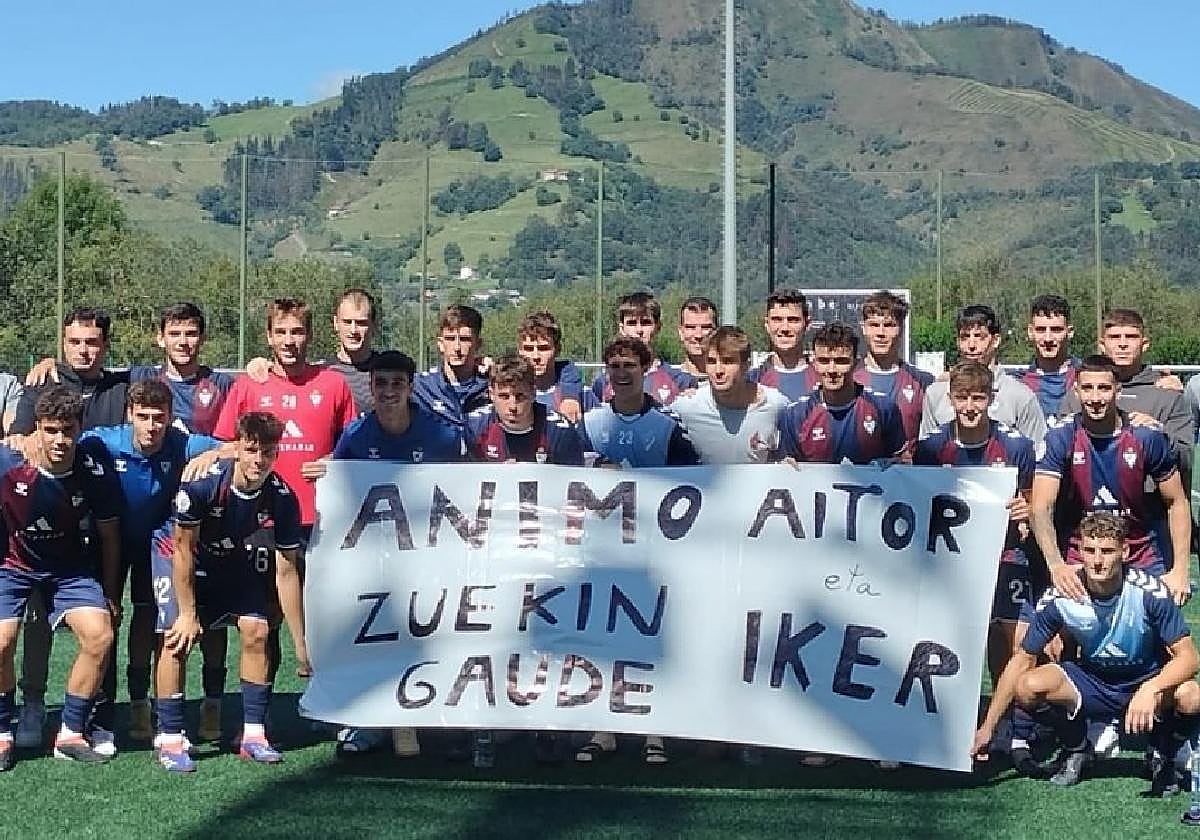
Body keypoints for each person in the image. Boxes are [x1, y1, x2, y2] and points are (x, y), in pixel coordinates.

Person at [971, 512, 1200, 790]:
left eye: (1106, 551)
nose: (1097, 560)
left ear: (1124, 552)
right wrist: (987, 727)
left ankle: (1164, 749)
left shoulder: (1148, 592)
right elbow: (1023, 659)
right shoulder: (1064, 594)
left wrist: (1151, 688)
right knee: (1028, 685)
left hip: (1144, 677)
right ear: (1079, 552)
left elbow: (1189, 657)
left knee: (1191, 696)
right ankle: (1077, 747)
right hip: (1093, 681)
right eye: (1089, 551)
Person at [308, 350, 463, 759]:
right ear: (371, 388)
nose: (389, 391)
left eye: (397, 383)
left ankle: (425, 716)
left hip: (430, 557)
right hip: (374, 558)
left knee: (428, 636)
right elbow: (342, 492)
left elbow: (465, 494)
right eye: (381, 384)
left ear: (411, 387)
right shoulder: (356, 436)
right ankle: (370, 721)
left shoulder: (441, 435)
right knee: (371, 638)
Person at [211, 298, 354, 734]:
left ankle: (330, 706)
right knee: (263, 618)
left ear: (310, 336)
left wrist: (332, 460)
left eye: (297, 332)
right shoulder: (249, 386)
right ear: (269, 336)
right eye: (281, 332)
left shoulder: (333, 385)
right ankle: (260, 712)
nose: (290, 341)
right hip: (260, 521)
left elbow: (353, 448)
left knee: (329, 615)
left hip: (320, 519)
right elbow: (224, 446)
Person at [152, 412, 306, 772]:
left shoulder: (282, 497)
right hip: (176, 555)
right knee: (178, 637)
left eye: (267, 452)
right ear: (236, 448)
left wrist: (301, 643)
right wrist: (189, 614)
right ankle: (171, 737)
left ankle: (253, 735)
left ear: (277, 453)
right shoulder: (203, 485)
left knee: (258, 629)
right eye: (251, 450)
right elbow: (183, 550)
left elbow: (287, 572)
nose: (258, 460)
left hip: (228, 556)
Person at [77, 381, 227, 743]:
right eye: (143, 417)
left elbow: (238, 448)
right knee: (108, 617)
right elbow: (62, 444)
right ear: (130, 415)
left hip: (158, 541)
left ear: (170, 417)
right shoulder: (103, 441)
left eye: (158, 418)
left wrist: (215, 454)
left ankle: (150, 705)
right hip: (109, 537)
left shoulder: (183, 443)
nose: (151, 426)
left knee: (154, 616)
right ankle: (113, 706)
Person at [9, 307, 129, 753]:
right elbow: (18, 441)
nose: (84, 350)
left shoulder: (124, 385)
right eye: (75, 342)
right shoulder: (41, 383)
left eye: (93, 342)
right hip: (37, 528)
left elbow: (168, 383)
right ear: (63, 342)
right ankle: (33, 704)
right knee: (33, 622)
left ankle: (93, 719)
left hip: (94, 525)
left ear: (105, 345)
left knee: (103, 622)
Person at [575, 337, 698, 765]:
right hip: (601, 550)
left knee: (650, 636)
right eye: (614, 365)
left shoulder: (667, 426)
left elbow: (693, 488)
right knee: (602, 635)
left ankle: (653, 732)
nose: (621, 372)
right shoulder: (589, 425)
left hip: (653, 551)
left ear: (646, 368)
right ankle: (602, 728)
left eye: (629, 364)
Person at [914, 362, 1037, 767]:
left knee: (1010, 643)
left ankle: (1010, 731)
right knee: (952, 643)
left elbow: (1035, 497)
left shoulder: (1014, 446)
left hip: (1005, 557)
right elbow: (915, 502)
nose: (970, 407)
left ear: (991, 400)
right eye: (962, 398)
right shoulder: (933, 447)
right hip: (951, 562)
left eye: (978, 398)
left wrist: (1026, 508)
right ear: (950, 400)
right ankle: (946, 729)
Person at [464, 355, 582, 767]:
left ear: (535, 393)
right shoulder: (476, 430)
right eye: (504, 396)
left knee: (546, 637)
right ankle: (485, 725)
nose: (512, 404)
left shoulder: (560, 432)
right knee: (492, 636)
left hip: (545, 554)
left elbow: (579, 494)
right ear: (492, 395)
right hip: (493, 555)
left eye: (520, 395)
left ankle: (546, 723)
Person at [1030, 355, 1191, 606]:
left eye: (1104, 388)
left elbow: (1176, 501)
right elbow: (1041, 506)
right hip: (1081, 553)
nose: (1095, 398)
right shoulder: (1060, 437)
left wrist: (1180, 570)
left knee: (1166, 637)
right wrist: (1057, 565)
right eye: (1087, 388)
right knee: (1057, 640)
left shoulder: (1145, 436)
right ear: (1076, 391)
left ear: (1118, 390)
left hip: (1139, 552)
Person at [1060, 308, 1193, 474]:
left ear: (1144, 344)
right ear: (1102, 344)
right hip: (1087, 492)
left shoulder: (1168, 395)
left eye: (1131, 337)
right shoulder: (1077, 395)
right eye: (1114, 337)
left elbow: (1186, 459)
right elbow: (1059, 455)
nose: (1122, 344)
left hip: (1148, 497)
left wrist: (1159, 434)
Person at [776, 321, 906, 466]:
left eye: (841, 361)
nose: (832, 370)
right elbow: (788, 472)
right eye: (824, 361)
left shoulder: (884, 409)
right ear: (814, 363)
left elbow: (902, 466)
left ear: (856, 363)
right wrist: (786, 467)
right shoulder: (795, 416)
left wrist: (894, 463)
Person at [920, 305, 1045, 444]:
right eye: (965, 337)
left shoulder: (1020, 396)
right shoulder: (936, 393)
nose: (971, 345)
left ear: (996, 340)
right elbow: (926, 455)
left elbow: (1037, 452)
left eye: (979, 336)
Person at [672, 326, 790, 467]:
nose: (718, 370)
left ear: (746, 365)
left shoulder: (776, 405)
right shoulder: (686, 408)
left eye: (728, 361)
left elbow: (790, 455)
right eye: (711, 362)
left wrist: (789, 464)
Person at [127, 302, 234, 436]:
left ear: (202, 339)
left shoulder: (223, 385)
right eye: (174, 334)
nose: (183, 342)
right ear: (160, 339)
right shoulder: (141, 377)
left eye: (190, 334)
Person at [853, 290, 932, 451]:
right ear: (863, 328)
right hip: (858, 474)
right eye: (874, 325)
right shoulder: (849, 377)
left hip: (907, 474)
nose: (880, 333)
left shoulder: (923, 382)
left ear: (901, 328)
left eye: (889, 325)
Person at [590, 292, 697, 406]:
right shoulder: (603, 383)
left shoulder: (680, 381)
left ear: (658, 326)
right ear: (622, 328)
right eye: (631, 323)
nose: (639, 330)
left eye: (646, 323)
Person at [413, 305, 492, 428]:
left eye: (465, 339)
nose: (457, 348)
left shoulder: (492, 386)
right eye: (450, 339)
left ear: (478, 343)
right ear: (440, 344)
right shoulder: (420, 387)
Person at [1009, 294, 1078, 420]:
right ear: (1031, 332)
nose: (1048, 338)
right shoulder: (1017, 383)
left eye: (1056, 330)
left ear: (1070, 332)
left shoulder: (1085, 378)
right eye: (1041, 330)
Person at [747, 289, 818, 401]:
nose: (784, 328)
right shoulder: (751, 381)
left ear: (807, 324)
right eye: (777, 320)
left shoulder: (822, 379)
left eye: (793, 320)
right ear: (767, 324)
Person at [516, 311, 586, 420]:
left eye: (543, 348)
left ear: (557, 349)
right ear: (520, 351)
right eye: (529, 349)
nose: (535, 356)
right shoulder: (508, 393)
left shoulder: (580, 394)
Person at [676, 296, 719, 381]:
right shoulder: (668, 382)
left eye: (705, 327)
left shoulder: (733, 382)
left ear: (716, 332)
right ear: (681, 332)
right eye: (691, 327)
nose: (698, 335)